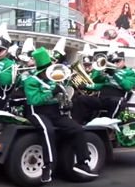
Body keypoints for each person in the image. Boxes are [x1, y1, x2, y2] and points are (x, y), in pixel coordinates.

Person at [23, 47, 98, 183]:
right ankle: (48, 166)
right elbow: (34, 100)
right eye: (47, 70)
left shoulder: (55, 80)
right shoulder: (31, 81)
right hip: (36, 111)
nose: (50, 72)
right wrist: (52, 92)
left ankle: (82, 163)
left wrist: (66, 102)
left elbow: (60, 98)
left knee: (78, 129)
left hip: (54, 112)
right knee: (48, 130)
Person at [72, 51, 135, 124]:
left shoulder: (130, 72)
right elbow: (100, 84)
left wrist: (114, 74)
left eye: (117, 61)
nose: (115, 63)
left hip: (117, 98)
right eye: (113, 61)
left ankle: (109, 126)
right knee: (81, 99)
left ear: (123, 61)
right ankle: (78, 124)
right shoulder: (108, 71)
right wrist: (86, 85)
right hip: (102, 98)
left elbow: (127, 86)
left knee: (115, 101)